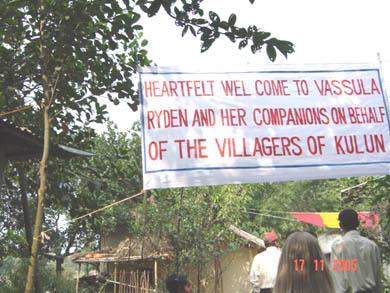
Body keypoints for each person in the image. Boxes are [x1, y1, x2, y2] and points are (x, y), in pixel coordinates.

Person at [331, 208, 382, 293]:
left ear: (340, 225)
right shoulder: (372, 246)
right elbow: (377, 277)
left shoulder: (338, 245)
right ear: (358, 223)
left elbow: (338, 278)